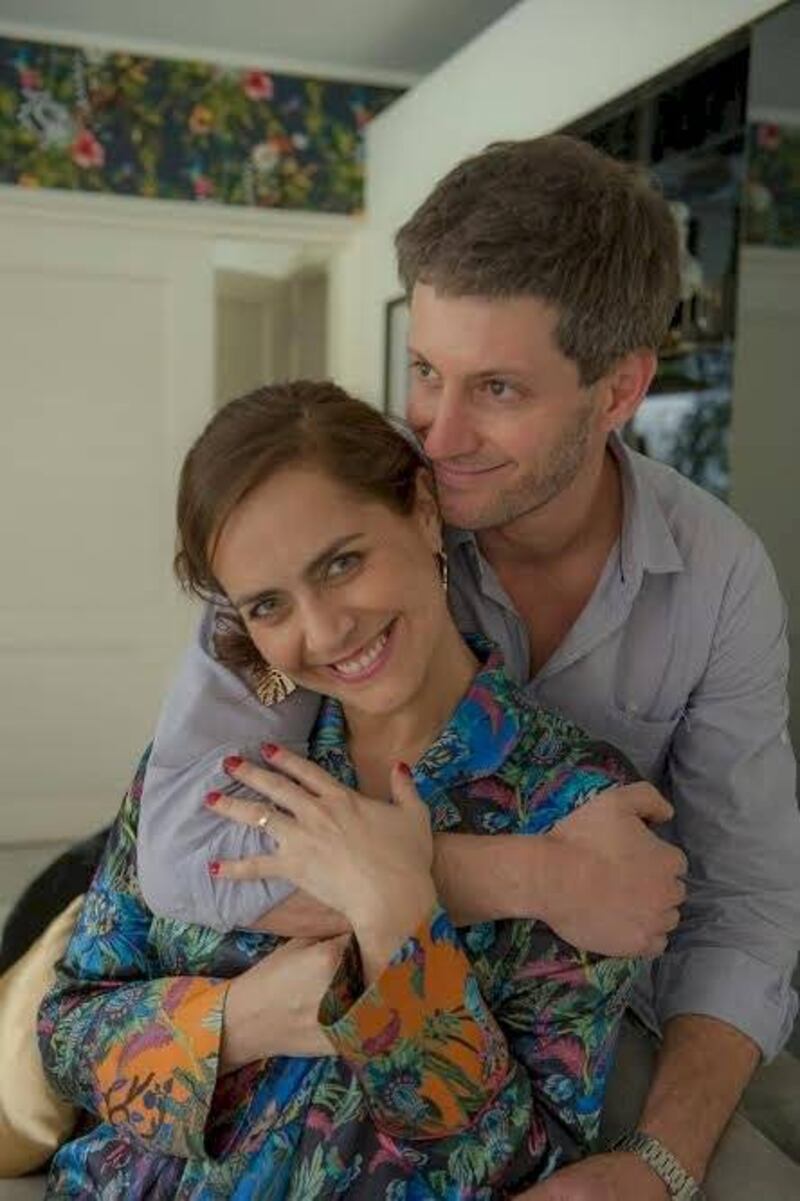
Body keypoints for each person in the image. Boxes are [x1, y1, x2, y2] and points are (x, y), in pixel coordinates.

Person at [136, 135, 800, 1200]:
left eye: (496, 388)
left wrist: (661, 1163)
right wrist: (531, 876)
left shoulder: (718, 578)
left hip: (587, 998)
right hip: (355, 965)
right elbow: (176, 852)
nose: (437, 438)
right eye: (425, 373)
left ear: (620, 387)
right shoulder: (336, 509)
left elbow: (747, 898)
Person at [39, 383, 643, 1198]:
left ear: (422, 511)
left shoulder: (575, 807)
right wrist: (240, 1020)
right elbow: (67, 1032)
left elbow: (524, 1169)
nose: (323, 632)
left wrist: (401, 924)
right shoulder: (213, 775)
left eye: (342, 563)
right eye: (269, 605)